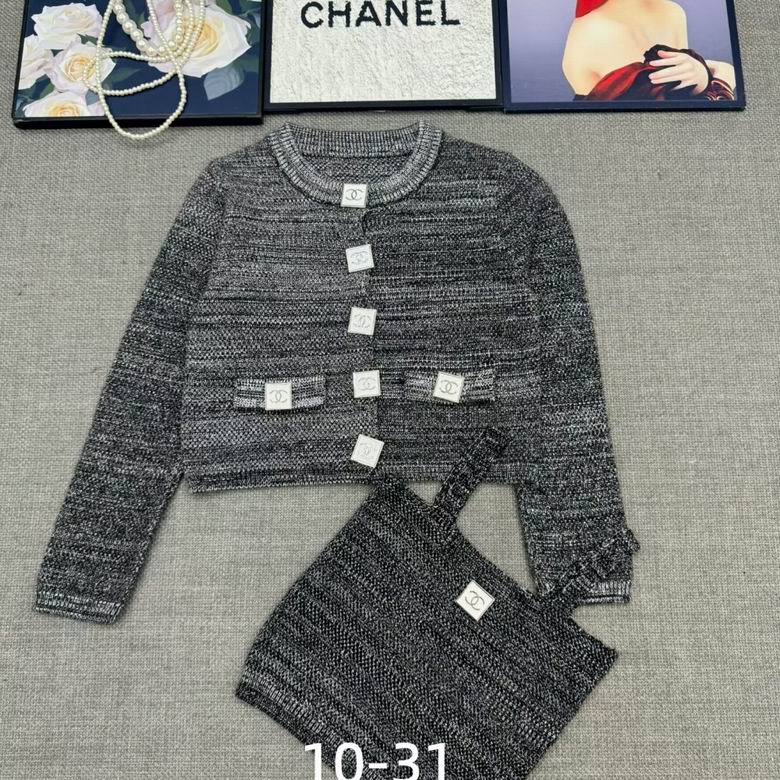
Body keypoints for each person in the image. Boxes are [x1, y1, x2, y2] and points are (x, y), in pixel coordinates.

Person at [563, 0, 736, 101]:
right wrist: (723, 77)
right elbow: (662, 122)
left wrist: (703, 74)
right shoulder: (598, 31)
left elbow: (681, 92)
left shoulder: (671, 13)